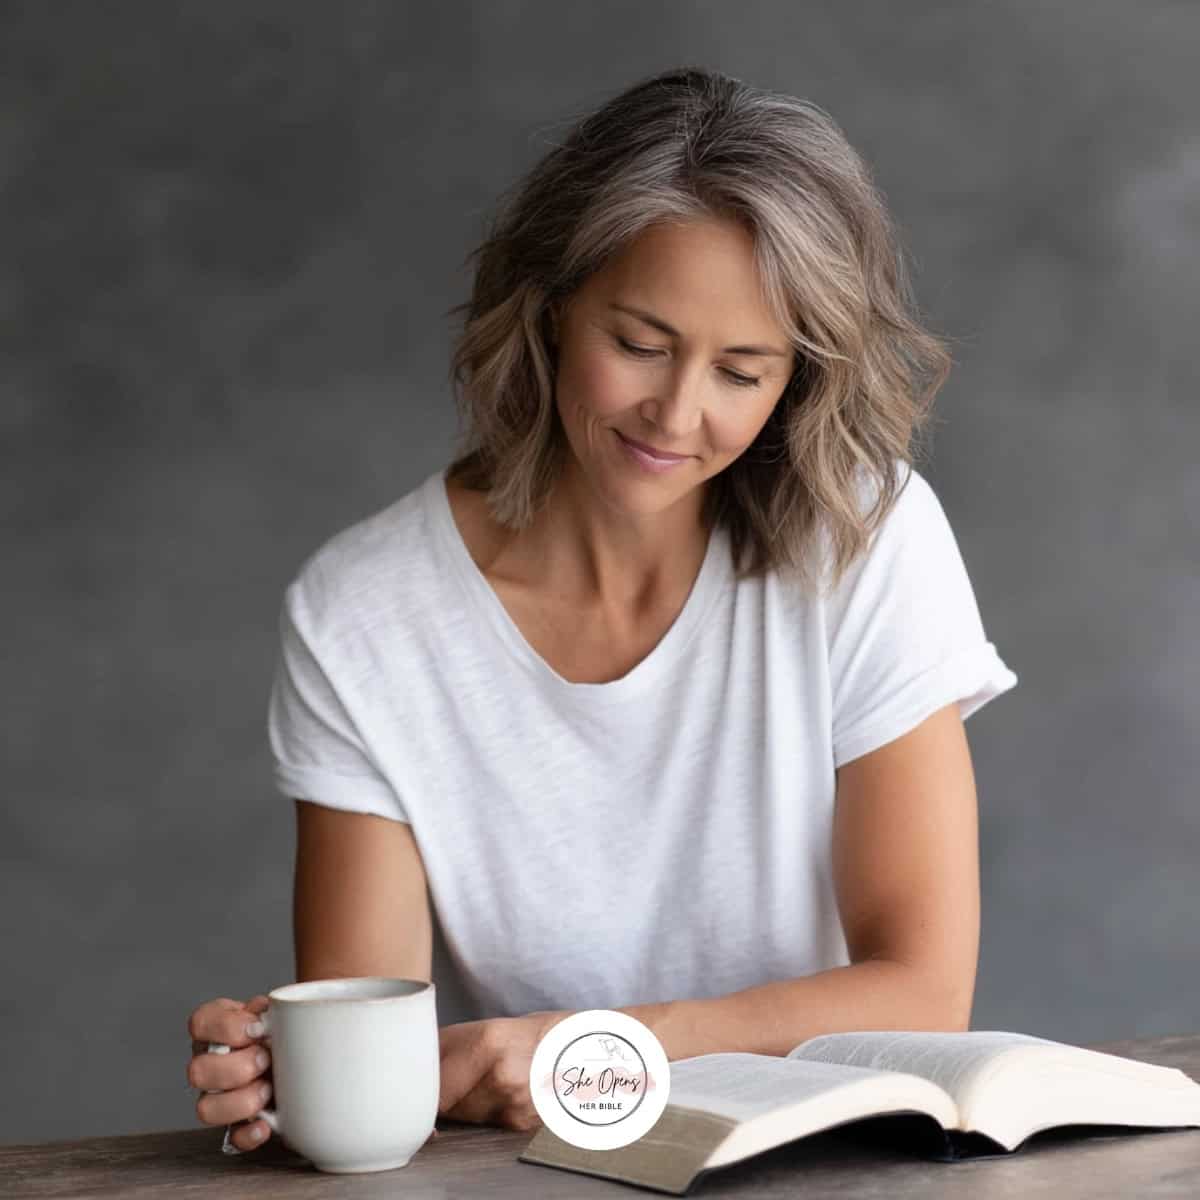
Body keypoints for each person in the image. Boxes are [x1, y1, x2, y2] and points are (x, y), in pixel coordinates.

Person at [186, 64, 1018, 1152]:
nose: (678, 413)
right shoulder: (364, 616)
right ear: (548, 304)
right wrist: (280, 1069)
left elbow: (921, 997)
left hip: (834, 1169)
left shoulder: (865, 539)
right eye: (640, 343)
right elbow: (382, 1062)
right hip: (535, 1176)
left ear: (797, 380)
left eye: (743, 370)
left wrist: (593, 1043)